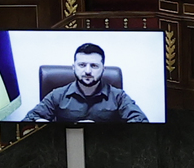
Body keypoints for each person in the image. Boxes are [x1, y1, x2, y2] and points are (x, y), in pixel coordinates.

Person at [22, 40, 150, 124]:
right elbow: (28, 121)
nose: (88, 71)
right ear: (74, 67)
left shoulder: (118, 96)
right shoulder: (57, 95)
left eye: (94, 66)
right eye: (82, 65)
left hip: (106, 148)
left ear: (103, 69)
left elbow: (142, 122)